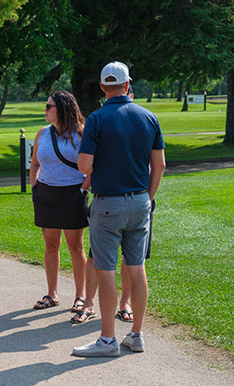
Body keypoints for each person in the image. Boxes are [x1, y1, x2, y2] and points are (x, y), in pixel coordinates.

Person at [73, 61, 165, 357]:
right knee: (136, 268)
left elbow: (84, 165)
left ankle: (108, 340)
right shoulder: (149, 117)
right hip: (140, 201)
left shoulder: (97, 119)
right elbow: (159, 165)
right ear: (128, 85)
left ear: (103, 88)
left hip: (108, 202)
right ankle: (136, 334)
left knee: (106, 271)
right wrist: (147, 198)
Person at [29, 91, 91, 318]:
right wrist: (35, 187)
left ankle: (80, 296)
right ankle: (52, 294)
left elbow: (93, 166)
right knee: (50, 245)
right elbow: (34, 164)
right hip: (46, 194)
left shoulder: (81, 133)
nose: (45, 110)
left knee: (75, 247)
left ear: (62, 108)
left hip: (73, 194)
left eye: (49, 106)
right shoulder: (42, 133)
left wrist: (83, 188)